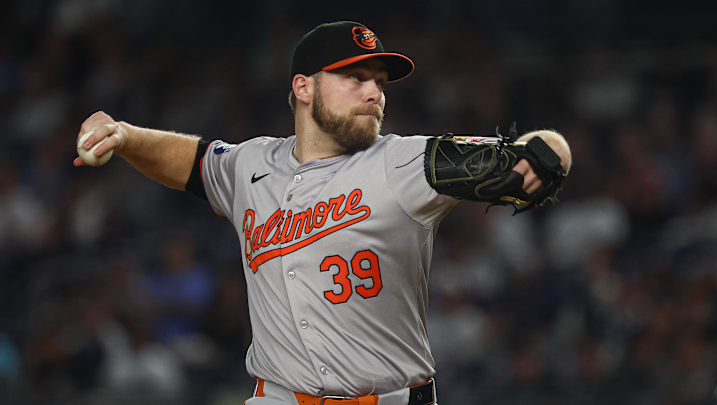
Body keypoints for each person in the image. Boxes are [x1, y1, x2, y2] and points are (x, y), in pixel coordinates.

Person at [74, 21, 571, 405]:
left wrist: (549, 153)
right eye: (355, 77)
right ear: (304, 87)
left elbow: (529, 153)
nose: (374, 92)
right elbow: (194, 161)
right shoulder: (252, 164)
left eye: (379, 81)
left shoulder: (405, 162)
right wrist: (125, 135)